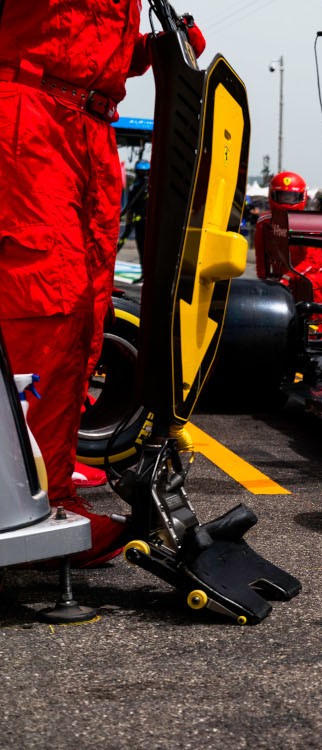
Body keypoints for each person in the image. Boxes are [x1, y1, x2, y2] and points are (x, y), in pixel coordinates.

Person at [0, 2, 203, 566]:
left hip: (88, 128)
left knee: (87, 313)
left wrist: (155, 50)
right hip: (30, 119)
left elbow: (86, 44)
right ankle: (26, 505)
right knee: (44, 304)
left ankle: (47, 475)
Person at [254, 171, 322, 334]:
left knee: (309, 284)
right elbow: (261, 256)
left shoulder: (308, 224)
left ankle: (315, 329)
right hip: (282, 277)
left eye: (290, 197)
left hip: (312, 277)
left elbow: (313, 262)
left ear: (301, 197)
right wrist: (262, 281)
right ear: (273, 194)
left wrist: (288, 277)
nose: (286, 201)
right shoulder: (264, 222)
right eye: (282, 196)